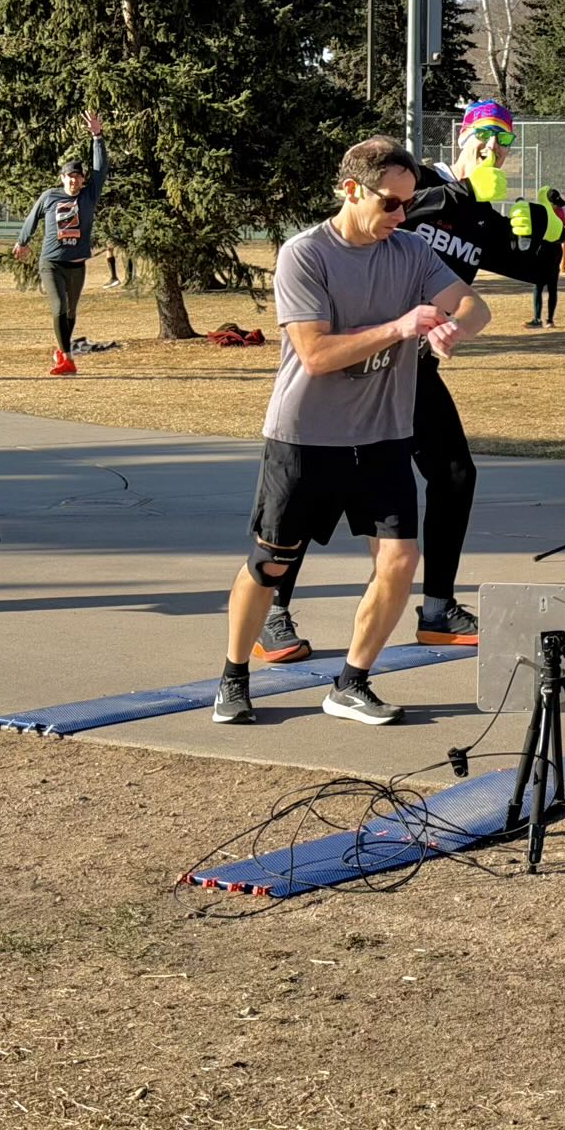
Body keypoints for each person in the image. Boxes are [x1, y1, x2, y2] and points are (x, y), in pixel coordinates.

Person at [211, 136, 489, 726]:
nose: (400, 216)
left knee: (399, 560)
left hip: (382, 435)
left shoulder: (411, 251)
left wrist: (452, 329)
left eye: (409, 206)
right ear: (351, 189)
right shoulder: (305, 254)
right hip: (305, 436)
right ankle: (234, 675)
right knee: (271, 565)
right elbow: (314, 354)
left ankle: (351, 683)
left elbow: (473, 304)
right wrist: (400, 327)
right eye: (390, 203)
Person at [258, 100, 541, 664]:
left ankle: (436, 608)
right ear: (462, 138)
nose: (493, 150)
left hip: (412, 369)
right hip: (349, 368)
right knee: (315, 498)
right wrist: (445, 191)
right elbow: (367, 216)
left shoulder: (480, 211)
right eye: (483, 138)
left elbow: (520, 275)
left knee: (456, 473)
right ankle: (273, 612)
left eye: (504, 142)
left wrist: (543, 231)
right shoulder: (420, 188)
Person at [13, 110, 107, 376]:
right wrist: (23, 241)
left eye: (78, 176)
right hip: (51, 263)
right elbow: (32, 218)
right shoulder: (50, 196)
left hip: (77, 265)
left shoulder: (89, 196)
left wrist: (97, 136)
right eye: (69, 176)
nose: (74, 180)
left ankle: (61, 350)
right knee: (59, 307)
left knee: (71, 312)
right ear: (62, 178)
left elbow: (101, 168)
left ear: (83, 179)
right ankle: (67, 358)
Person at [518, 186, 565, 327]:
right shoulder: (559, 211)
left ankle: (541, 319)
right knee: (547, 286)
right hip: (555, 250)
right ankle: (546, 320)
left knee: (541, 286)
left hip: (546, 250)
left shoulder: (543, 211)